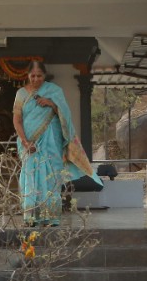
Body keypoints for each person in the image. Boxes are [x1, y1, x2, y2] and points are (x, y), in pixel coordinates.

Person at [11, 60, 100, 226]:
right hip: (28, 143)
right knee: (30, 177)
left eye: (39, 76)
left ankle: (51, 217)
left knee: (51, 177)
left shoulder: (54, 91)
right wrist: (24, 141)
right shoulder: (21, 94)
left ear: (44, 75)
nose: (36, 79)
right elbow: (17, 120)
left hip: (51, 141)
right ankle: (31, 216)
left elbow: (65, 115)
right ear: (27, 75)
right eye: (32, 75)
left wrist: (52, 104)